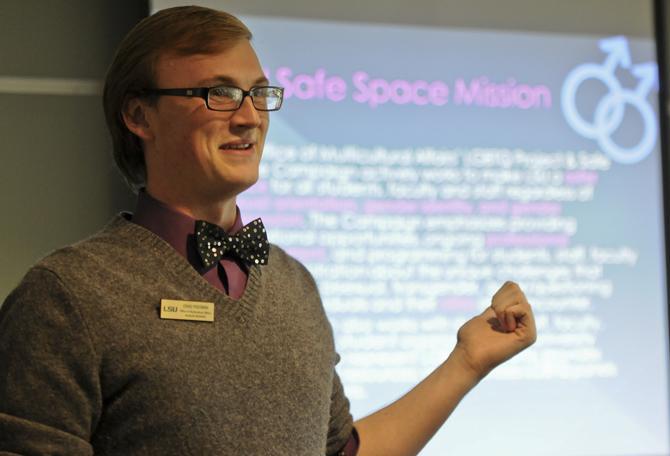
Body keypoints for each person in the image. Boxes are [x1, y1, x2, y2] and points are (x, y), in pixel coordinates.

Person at [0, 5, 536, 455]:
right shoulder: (67, 296)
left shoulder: (293, 283)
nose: (250, 117)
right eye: (220, 94)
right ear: (140, 116)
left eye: (259, 94)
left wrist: (466, 361)